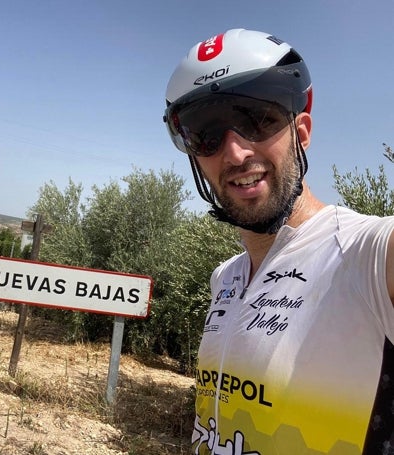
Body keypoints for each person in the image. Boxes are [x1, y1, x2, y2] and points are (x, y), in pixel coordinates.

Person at [163, 29, 394, 454]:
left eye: (257, 118)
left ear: (302, 131)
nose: (234, 153)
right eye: (206, 134)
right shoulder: (226, 279)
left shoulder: (367, 255)